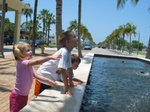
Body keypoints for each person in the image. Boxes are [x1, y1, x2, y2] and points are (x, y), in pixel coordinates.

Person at [10, 42, 61, 112]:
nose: (31, 51)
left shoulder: (29, 65)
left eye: (30, 49)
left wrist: (49, 81)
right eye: (28, 50)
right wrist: (50, 57)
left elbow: (37, 76)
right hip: (18, 96)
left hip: (24, 95)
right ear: (20, 53)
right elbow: (36, 61)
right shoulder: (21, 63)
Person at [34, 31, 78, 96]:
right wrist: (67, 88)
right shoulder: (64, 52)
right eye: (74, 37)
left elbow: (69, 68)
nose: (77, 39)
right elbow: (62, 70)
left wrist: (71, 82)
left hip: (49, 79)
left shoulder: (68, 52)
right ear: (68, 42)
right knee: (39, 97)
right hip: (43, 78)